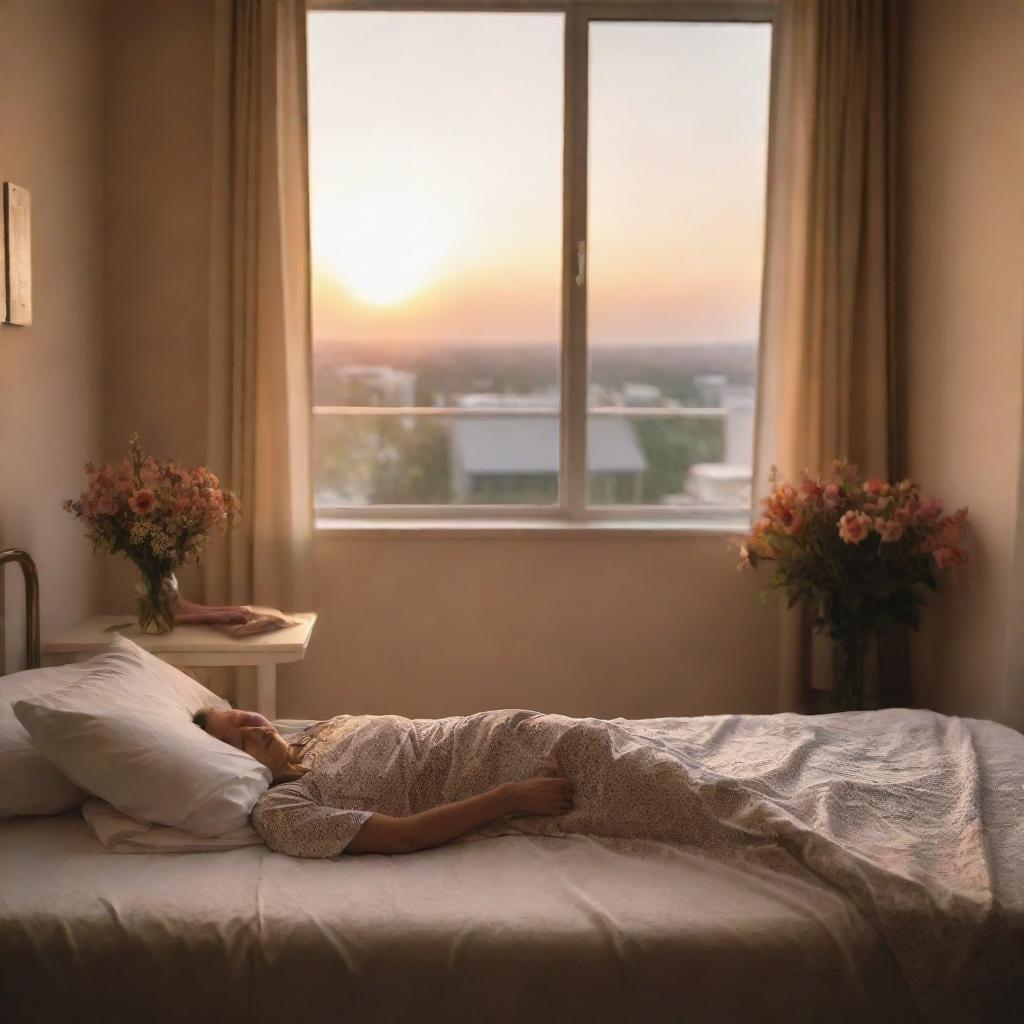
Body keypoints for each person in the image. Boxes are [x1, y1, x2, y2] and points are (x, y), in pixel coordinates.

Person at [195, 706, 737, 859]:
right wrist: (510, 798)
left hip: (506, 729)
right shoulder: (284, 809)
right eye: (234, 739)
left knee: (663, 758)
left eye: (238, 715)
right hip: (512, 775)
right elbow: (404, 836)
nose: (249, 725)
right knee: (697, 805)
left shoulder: (320, 729)